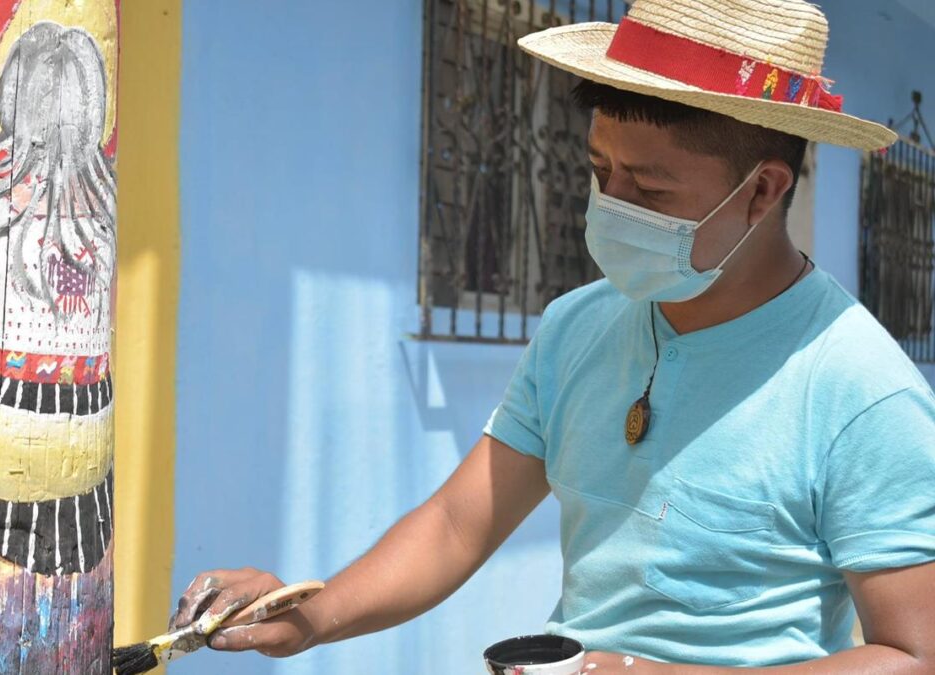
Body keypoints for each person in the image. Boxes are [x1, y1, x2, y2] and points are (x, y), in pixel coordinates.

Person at [170, 0, 935, 671]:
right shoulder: (578, 326)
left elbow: (912, 652)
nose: (612, 205)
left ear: (764, 189)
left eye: (650, 188)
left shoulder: (860, 388)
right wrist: (309, 614)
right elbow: (454, 524)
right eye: (601, 171)